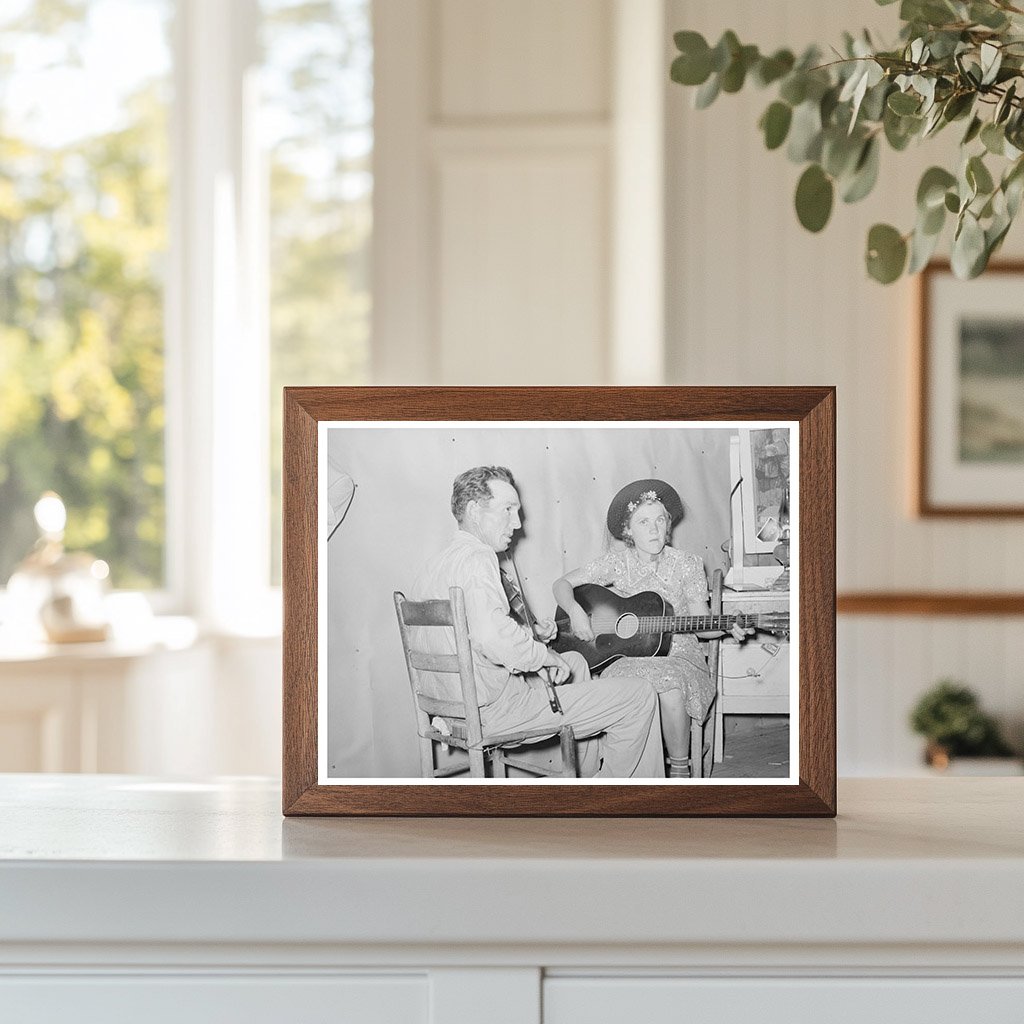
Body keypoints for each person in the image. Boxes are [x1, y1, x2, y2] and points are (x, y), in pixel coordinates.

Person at [410, 466, 664, 779]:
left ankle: (581, 776)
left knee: (575, 662)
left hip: (451, 708)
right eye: (508, 510)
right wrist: (543, 656)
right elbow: (491, 638)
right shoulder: (479, 558)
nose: (517, 523)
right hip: (492, 712)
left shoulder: (436, 563)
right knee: (639, 695)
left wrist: (532, 640)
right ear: (475, 511)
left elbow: (473, 636)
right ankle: (615, 798)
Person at [553, 478, 731, 778]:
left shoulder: (687, 564)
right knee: (623, 690)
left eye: (660, 520)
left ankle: (678, 770)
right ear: (628, 531)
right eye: (644, 522)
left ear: (668, 525)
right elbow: (562, 584)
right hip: (625, 658)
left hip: (679, 655)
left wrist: (728, 626)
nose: (653, 529)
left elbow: (703, 627)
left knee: (670, 684)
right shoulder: (617, 563)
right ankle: (624, 771)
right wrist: (575, 611)